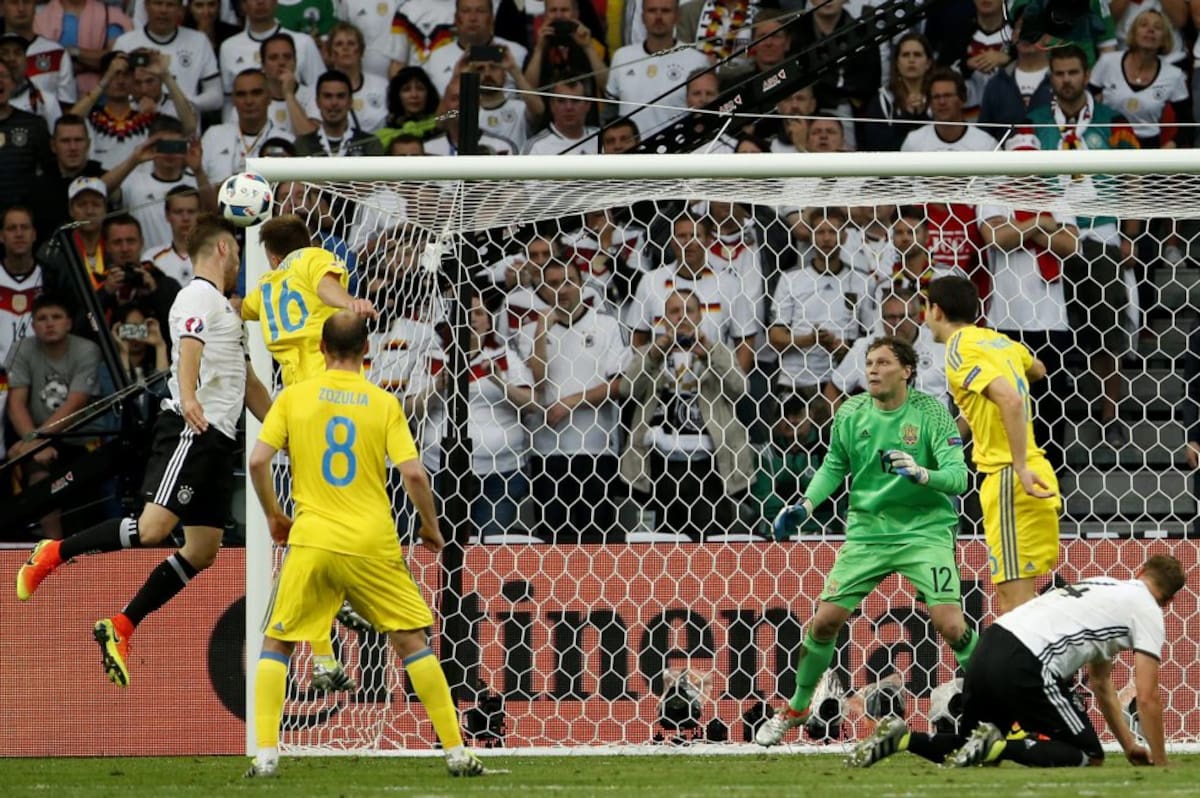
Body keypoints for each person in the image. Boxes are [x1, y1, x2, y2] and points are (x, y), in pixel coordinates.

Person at [14, 215, 273, 688]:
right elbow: (189, 344)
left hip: (219, 440)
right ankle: (54, 552)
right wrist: (189, 396)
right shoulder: (197, 294)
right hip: (192, 430)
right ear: (221, 249)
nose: (239, 261)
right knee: (154, 529)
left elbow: (248, 381)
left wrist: (284, 430)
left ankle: (122, 624)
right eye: (236, 252)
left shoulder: (224, 309)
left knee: (203, 551)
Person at [243, 311, 485, 778]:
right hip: (372, 541)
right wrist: (431, 527)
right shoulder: (383, 402)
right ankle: (456, 751)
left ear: (321, 348)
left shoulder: (293, 396)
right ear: (367, 349)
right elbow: (414, 474)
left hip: (313, 538)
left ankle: (268, 753)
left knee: (278, 641)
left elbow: (257, 461)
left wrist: (274, 515)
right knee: (411, 642)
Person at [758, 335, 975, 745]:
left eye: (883, 363)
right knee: (824, 622)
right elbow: (833, 466)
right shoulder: (851, 412)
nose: (873, 370)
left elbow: (958, 477)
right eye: (869, 363)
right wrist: (805, 506)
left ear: (907, 371)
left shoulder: (932, 413)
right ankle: (798, 707)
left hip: (924, 531)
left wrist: (921, 474)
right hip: (868, 533)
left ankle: (1002, 702)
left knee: (951, 625)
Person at [848, 554, 1186, 769]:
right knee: (1089, 756)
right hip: (1028, 662)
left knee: (971, 748)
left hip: (990, 644)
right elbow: (1147, 697)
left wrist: (1130, 746)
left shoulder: (1104, 585)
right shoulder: (1149, 610)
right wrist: (1160, 762)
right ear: (1168, 601)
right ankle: (1000, 746)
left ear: (1140, 571)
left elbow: (1100, 683)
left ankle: (902, 738)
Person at [242, 213, 378, 688]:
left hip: (296, 409)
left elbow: (242, 308)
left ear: (270, 255)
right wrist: (351, 303)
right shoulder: (310, 259)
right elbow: (325, 286)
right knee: (348, 515)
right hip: (336, 402)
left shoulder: (266, 286)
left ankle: (323, 657)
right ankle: (348, 596)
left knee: (312, 526)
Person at [925, 275, 1060, 613]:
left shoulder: (959, 349)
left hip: (1011, 478)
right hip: (1034, 471)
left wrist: (1020, 467)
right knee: (1020, 601)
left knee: (1015, 605)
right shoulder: (998, 340)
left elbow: (1010, 399)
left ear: (936, 311)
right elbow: (1039, 369)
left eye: (925, 308)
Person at [620, 288, 752, 540]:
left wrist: (709, 353)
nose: (681, 316)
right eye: (674, 311)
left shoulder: (717, 350)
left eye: (688, 310)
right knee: (665, 544)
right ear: (663, 319)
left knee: (709, 543)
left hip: (708, 466)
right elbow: (627, 389)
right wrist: (655, 354)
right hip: (659, 466)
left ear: (700, 316)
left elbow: (740, 389)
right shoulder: (650, 352)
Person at [5, 294, 101, 539]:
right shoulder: (22, 348)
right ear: (33, 324)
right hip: (33, 433)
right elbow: (16, 403)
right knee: (39, 473)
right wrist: (34, 443)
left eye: (56, 317)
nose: (49, 323)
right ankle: (52, 544)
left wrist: (34, 441)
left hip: (79, 436)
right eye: (42, 318)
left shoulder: (87, 349)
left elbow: (76, 403)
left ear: (69, 322)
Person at [605, 0, 709, 136]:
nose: (658, 17)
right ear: (642, 17)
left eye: (665, 11)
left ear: (677, 16)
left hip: (677, 146)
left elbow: (705, 114)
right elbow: (610, 110)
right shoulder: (622, 56)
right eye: (652, 11)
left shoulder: (698, 61)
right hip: (631, 148)